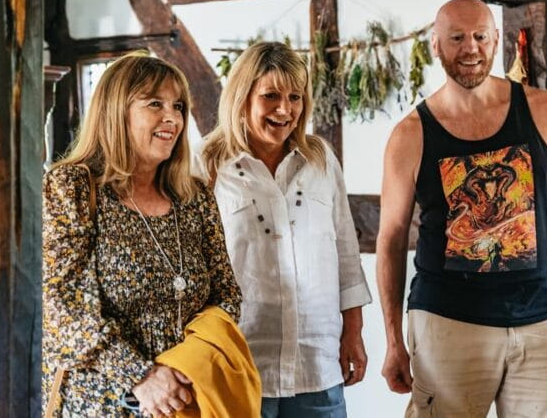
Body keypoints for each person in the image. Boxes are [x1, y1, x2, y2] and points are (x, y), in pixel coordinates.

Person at [377, 0, 547, 418]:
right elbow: (390, 240)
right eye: (457, 38)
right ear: (435, 44)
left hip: (545, 320)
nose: (470, 48)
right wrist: (392, 340)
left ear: (496, 39)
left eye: (480, 36)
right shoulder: (409, 135)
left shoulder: (545, 110)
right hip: (447, 322)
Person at [42, 52, 243, 417]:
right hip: (99, 405)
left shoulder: (195, 197)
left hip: (185, 400)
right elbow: (58, 308)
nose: (173, 118)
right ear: (115, 111)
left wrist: (185, 366)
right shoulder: (72, 188)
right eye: (155, 103)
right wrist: (141, 376)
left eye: (178, 106)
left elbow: (227, 296)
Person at [197, 42, 372, 418]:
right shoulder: (206, 164)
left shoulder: (320, 159)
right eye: (271, 96)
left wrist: (353, 332)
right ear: (242, 97)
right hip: (238, 360)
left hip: (317, 364)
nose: (285, 109)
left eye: (295, 97)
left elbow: (345, 252)